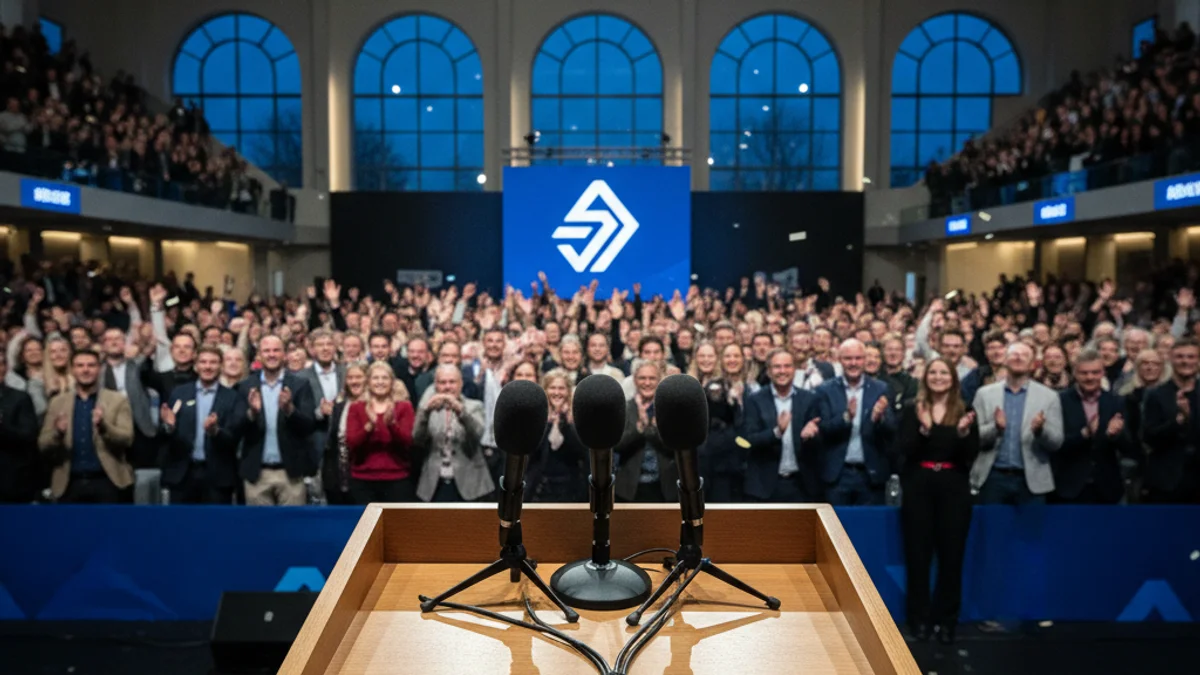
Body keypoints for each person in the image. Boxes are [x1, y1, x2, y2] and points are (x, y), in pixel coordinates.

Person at [898, 358, 977, 645]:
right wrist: (924, 430)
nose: (938, 377)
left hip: (953, 489)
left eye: (944, 372)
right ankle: (918, 620)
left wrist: (962, 435)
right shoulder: (912, 408)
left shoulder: (965, 411)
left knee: (951, 558)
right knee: (918, 558)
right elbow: (904, 449)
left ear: (953, 378)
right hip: (919, 488)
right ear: (925, 377)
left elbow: (970, 454)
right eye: (933, 372)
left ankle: (946, 621)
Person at [971, 342, 1064, 505]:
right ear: (1005, 360)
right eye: (1014, 354)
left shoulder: (1049, 397)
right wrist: (995, 428)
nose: (1018, 357)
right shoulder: (984, 394)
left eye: (1024, 355)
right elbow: (973, 439)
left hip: (1032, 481)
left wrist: (1041, 431)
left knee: (1031, 524)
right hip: (993, 478)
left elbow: (1056, 442)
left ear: (1033, 364)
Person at [38, 350, 135, 503]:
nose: (85, 370)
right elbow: (43, 444)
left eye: (91, 365)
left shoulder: (117, 400)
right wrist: (58, 433)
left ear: (99, 369)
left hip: (108, 482)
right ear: (72, 369)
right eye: (80, 365)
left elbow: (127, 439)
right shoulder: (58, 402)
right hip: (69, 483)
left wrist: (104, 426)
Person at [237, 335, 316, 506]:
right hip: (257, 473)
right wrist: (252, 413)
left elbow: (309, 426)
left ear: (284, 354)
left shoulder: (300, 384)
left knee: (293, 523)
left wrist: (289, 410)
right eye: (266, 351)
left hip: (290, 473)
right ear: (259, 355)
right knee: (258, 523)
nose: (271, 354)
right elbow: (236, 428)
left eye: (276, 350)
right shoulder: (245, 386)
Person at [815, 339, 896, 505]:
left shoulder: (880, 388)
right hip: (837, 475)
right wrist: (846, 418)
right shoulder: (825, 390)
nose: (853, 363)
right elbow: (823, 429)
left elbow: (892, 429)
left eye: (858, 358)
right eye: (848, 358)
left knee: (870, 522)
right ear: (839, 360)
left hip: (870, 475)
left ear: (865, 360)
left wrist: (880, 418)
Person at [159, 345, 242, 504]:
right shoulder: (179, 393)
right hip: (182, 475)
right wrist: (169, 427)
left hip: (218, 477)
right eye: (203, 362)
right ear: (196, 366)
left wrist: (216, 431)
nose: (208, 367)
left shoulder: (232, 397)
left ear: (221, 366)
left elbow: (235, 437)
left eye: (213, 362)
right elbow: (163, 435)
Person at [1053, 349, 1133, 504]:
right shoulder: (1059, 400)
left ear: (1103, 373)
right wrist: (1085, 434)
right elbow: (1054, 444)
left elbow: (1129, 447)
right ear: (1075, 374)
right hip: (1069, 487)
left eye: (1095, 372)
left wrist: (1115, 435)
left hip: (1107, 488)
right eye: (1084, 373)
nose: (1090, 377)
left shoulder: (1116, 401)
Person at [743, 349, 822, 502]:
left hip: (801, 485)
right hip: (764, 487)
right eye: (777, 367)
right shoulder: (755, 400)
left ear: (794, 370)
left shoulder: (809, 399)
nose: (782, 371)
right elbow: (748, 440)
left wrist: (812, 435)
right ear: (768, 371)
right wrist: (777, 432)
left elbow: (821, 443)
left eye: (787, 366)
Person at [414, 364, 491, 502]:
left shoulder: (474, 406)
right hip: (434, 481)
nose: (447, 387)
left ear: (460, 384)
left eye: (452, 382)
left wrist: (460, 411)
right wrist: (425, 413)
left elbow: (477, 434)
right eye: (442, 382)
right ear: (435, 385)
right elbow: (417, 439)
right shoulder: (428, 407)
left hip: (470, 481)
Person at [345, 361, 416, 503]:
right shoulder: (356, 407)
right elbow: (351, 443)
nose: (380, 382)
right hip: (363, 479)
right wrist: (369, 427)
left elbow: (408, 442)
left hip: (397, 478)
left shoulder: (404, 407)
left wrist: (391, 425)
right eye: (375, 378)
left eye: (385, 378)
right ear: (368, 382)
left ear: (392, 382)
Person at [1142, 338, 1200, 503]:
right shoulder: (1156, 394)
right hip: (1167, 481)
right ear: (1170, 359)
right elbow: (1149, 437)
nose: (1185, 361)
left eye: (1190, 357)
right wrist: (1179, 421)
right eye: (1180, 356)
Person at [614, 360, 676, 502]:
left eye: (652, 378)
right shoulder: (624, 408)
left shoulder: (669, 408)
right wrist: (638, 430)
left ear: (659, 380)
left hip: (664, 487)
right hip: (630, 489)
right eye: (642, 378)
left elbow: (676, 446)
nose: (647, 383)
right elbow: (616, 444)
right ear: (635, 381)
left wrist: (654, 430)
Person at [526, 369, 586, 502]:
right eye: (552, 388)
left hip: (570, 487)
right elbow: (532, 451)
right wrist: (548, 423)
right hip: (540, 487)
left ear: (568, 391)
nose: (557, 392)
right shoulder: (535, 415)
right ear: (545, 390)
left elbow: (581, 451)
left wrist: (565, 422)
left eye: (561, 388)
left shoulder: (578, 416)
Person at [299, 329, 345, 485]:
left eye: (329, 344)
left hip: (344, 448)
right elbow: (297, 415)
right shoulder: (300, 377)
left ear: (335, 347)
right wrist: (319, 412)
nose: (325, 348)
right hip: (314, 447)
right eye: (320, 345)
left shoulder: (347, 372)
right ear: (312, 350)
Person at [322, 362, 367, 505]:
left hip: (366, 476)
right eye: (350, 378)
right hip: (340, 476)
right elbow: (332, 444)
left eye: (359, 377)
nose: (354, 381)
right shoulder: (339, 407)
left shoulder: (375, 406)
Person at [0, 353, 39, 503]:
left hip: (10, 481)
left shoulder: (19, 398)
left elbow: (28, 436)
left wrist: (2, 426)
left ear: (5, 368)